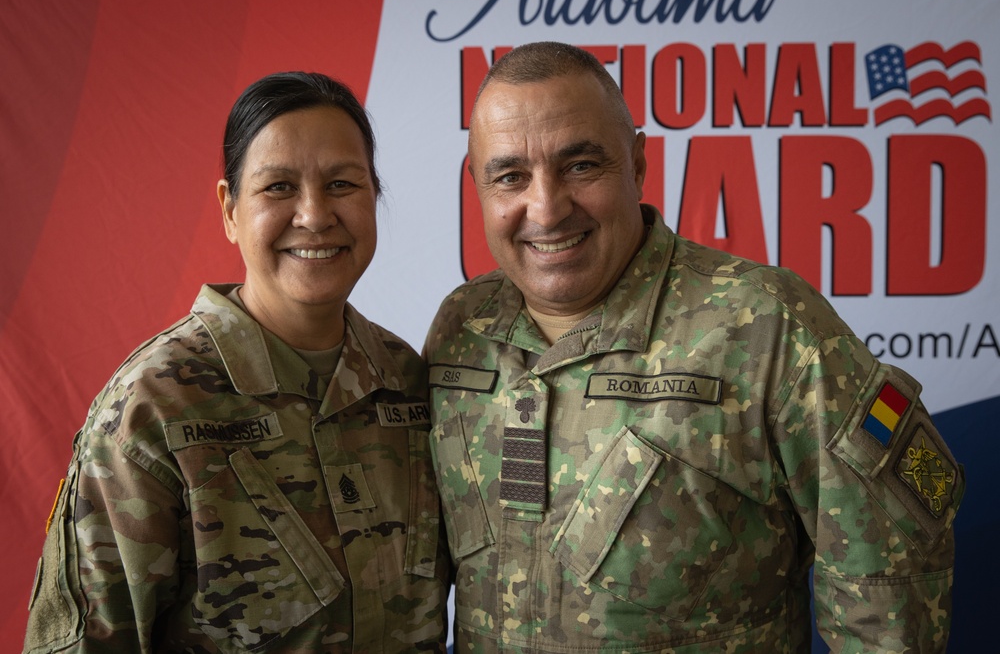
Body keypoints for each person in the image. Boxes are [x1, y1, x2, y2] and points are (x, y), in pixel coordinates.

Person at [424, 41, 963, 653]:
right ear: (478, 186)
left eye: (580, 166)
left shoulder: (767, 324)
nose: (546, 208)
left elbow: (888, 594)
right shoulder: (461, 326)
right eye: (511, 176)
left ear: (637, 164)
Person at [24, 72, 449, 653]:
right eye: (278, 187)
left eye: (342, 183)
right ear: (229, 209)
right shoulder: (154, 408)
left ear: (375, 196)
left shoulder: (408, 382)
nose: (315, 214)